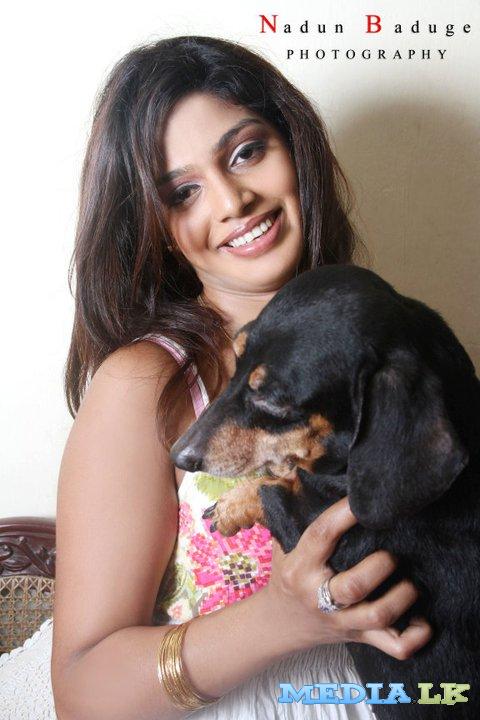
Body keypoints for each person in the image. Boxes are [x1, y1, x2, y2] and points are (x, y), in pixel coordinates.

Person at [0, 36, 431, 719]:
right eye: (183, 192)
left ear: (294, 147)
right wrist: (282, 620)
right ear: (154, 226)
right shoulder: (148, 385)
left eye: (246, 152)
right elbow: (82, 694)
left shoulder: (389, 344)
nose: (232, 200)